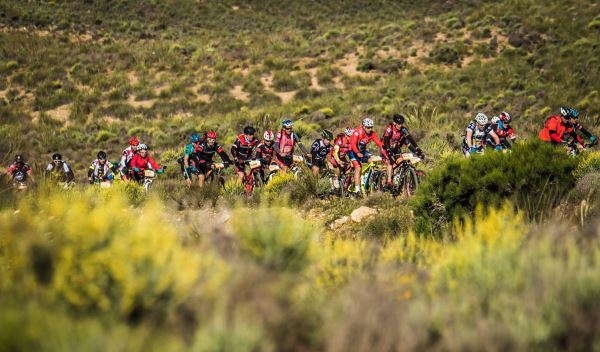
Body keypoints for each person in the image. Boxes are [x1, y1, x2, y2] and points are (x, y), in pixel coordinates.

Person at [349, 117, 388, 197]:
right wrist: (357, 152)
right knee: (358, 167)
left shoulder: (372, 134)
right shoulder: (357, 132)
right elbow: (353, 144)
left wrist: (386, 151)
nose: (369, 129)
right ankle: (357, 190)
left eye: (371, 127)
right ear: (363, 126)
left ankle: (366, 179)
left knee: (371, 161)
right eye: (368, 127)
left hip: (362, 151)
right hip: (353, 151)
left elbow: (379, 144)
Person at [383, 114, 424, 188]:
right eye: (399, 123)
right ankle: (389, 181)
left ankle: (396, 182)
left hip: (396, 149)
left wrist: (417, 149)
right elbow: (385, 141)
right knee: (391, 162)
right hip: (386, 147)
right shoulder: (390, 129)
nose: (400, 125)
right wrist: (388, 150)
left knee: (400, 162)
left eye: (402, 123)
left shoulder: (403, 130)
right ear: (395, 123)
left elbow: (410, 139)